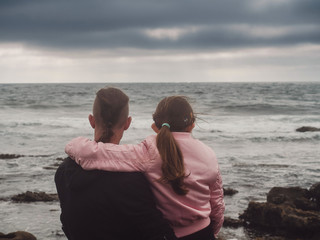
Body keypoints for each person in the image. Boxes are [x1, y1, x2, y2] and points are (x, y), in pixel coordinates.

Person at [65, 96, 225, 239]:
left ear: (155, 126)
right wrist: (213, 232)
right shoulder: (209, 153)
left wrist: (73, 144)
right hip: (203, 232)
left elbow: (95, 155)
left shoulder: (148, 151)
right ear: (192, 125)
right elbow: (217, 203)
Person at [55, 87, 176, 240]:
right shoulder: (132, 180)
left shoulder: (64, 171)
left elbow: (68, 221)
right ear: (127, 123)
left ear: (92, 120)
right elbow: (157, 231)